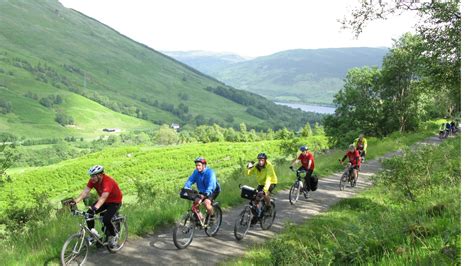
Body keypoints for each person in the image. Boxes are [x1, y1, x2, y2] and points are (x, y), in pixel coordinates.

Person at [72, 165, 122, 246]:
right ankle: (93, 234)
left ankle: (113, 235)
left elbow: (103, 197)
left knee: (106, 219)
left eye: (93, 176)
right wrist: (75, 201)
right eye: (91, 176)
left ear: (100, 175)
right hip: (105, 202)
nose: (91, 178)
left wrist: (96, 207)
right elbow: (85, 192)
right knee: (89, 214)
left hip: (114, 202)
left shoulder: (107, 182)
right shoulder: (93, 181)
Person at [183, 157, 221, 223]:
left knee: (206, 203)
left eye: (199, 165)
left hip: (213, 190)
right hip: (203, 191)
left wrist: (206, 194)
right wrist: (185, 188)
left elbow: (211, 185)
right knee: (195, 203)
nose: (197, 167)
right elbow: (190, 180)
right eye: (196, 165)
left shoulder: (210, 173)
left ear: (204, 165)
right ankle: (201, 219)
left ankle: (213, 217)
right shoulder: (196, 172)